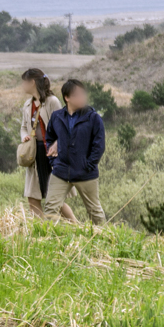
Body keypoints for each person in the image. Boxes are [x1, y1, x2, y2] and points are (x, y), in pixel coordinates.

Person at [43, 79, 108, 225]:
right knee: (50, 209)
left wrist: (88, 164)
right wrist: (54, 162)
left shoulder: (93, 118)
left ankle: (106, 240)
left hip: (85, 172)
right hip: (61, 172)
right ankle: (46, 241)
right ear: (67, 98)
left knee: (95, 211)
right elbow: (49, 139)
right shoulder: (57, 117)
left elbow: (99, 145)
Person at [19, 68, 76, 220]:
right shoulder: (27, 104)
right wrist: (24, 137)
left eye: (25, 82)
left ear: (32, 82)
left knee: (54, 196)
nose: (23, 85)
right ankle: (40, 230)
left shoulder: (52, 102)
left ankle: (77, 226)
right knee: (32, 196)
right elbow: (24, 127)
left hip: (50, 153)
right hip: (33, 154)